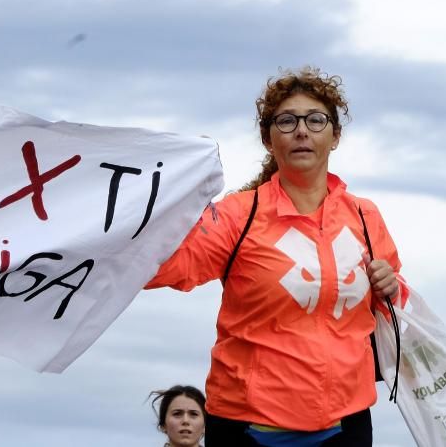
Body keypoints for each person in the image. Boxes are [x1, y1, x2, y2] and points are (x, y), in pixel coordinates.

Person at [146, 67, 408, 446]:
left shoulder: (365, 217)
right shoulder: (237, 215)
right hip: (248, 424)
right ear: (268, 139)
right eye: (286, 121)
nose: (302, 130)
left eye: (316, 120)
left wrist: (388, 284)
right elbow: (165, 266)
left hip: (345, 420)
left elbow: (393, 303)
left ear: (335, 136)